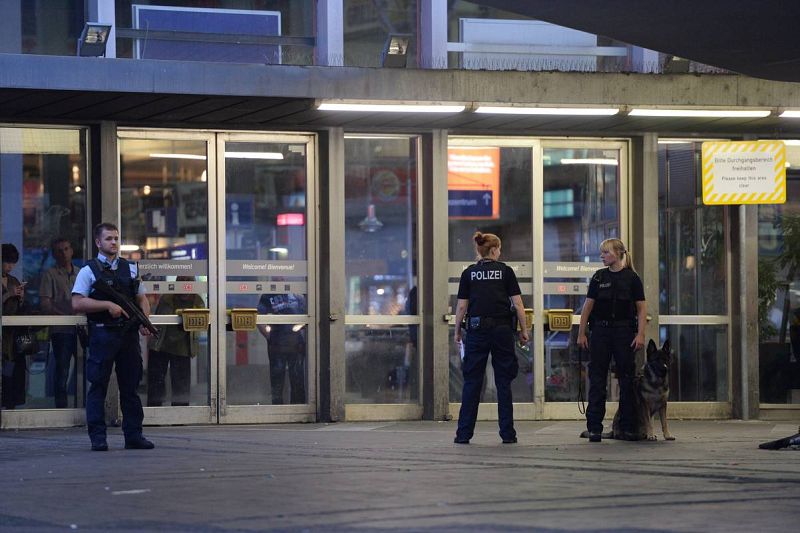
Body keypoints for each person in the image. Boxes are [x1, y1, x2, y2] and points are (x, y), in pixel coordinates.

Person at [72, 223, 154, 451]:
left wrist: (143, 321)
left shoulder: (130, 269)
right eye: (108, 239)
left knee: (130, 387)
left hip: (127, 336)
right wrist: (107, 304)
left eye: (116, 238)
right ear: (98, 242)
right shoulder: (89, 270)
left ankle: (134, 435)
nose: (114, 243)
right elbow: (77, 302)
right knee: (98, 385)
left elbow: (142, 299)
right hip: (102, 333)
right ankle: (98, 437)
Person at [453, 231, 529, 444]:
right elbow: (518, 304)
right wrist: (524, 330)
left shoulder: (469, 273)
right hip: (502, 331)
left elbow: (461, 306)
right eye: (500, 249)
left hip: (476, 332)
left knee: (472, 382)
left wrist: (457, 330)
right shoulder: (505, 272)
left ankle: (463, 434)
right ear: (494, 250)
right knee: (503, 382)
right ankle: (508, 434)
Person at [577, 238, 646, 443]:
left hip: (624, 332)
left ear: (617, 253)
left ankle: (626, 428)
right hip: (601, 332)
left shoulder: (632, 278)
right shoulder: (599, 277)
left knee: (626, 380)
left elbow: (642, 309)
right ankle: (595, 428)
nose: (602, 256)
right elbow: (587, 308)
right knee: (597, 379)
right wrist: (582, 333)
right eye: (602, 253)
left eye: (606, 253)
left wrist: (640, 334)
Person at [147, 282, 204, 407]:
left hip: (182, 347)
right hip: (161, 345)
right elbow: (159, 321)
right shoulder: (167, 298)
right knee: (157, 381)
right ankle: (154, 411)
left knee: (181, 383)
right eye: (182, 280)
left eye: (188, 281)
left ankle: (180, 413)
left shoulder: (197, 300)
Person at [40, 238, 78, 408]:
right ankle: (61, 410)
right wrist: (65, 316)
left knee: (87, 369)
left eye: (66, 249)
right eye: (59, 251)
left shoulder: (80, 273)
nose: (63, 253)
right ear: (54, 255)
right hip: (62, 330)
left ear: (71, 250)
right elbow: (45, 304)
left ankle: (84, 407)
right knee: (62, 370)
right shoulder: (50, 274)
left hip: (81, 328)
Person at [256, 291, 306, 404]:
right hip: (277, 344)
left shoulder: (297, 295)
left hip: (296, 344)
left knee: (297, 378)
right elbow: (259, 319)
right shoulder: (267, 297)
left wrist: (301, 332)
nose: (279, 277)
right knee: (277, 380)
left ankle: (298, 409)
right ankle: (277, 409)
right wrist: (270, 337)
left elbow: (308, 316)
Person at [2, 243, 27, 409]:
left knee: (12, 368)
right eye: (7, 262)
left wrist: (20, 296)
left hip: (12, 332)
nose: (10, 266)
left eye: (13, 263)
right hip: (3, 330)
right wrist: (9, 294)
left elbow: (19, 306)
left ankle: (11, 403)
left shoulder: (12, 280)